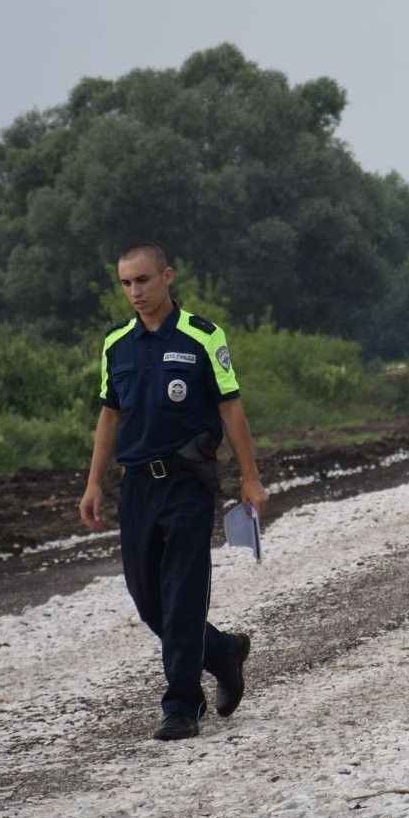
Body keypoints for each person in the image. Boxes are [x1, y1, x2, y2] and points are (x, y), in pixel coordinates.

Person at [79, 243, 268, 741]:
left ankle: (183, 705)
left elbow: (231, 409)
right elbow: (109, 415)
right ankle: (222, 652)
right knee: (148, 600)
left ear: (167, 277)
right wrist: (94, 481)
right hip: (136, 485)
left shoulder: (204, 336)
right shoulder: (116, 343)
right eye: (125, 283)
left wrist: (250, 476)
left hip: (188, 482)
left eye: (142, 280)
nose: (134, 292)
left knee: (182, 596)